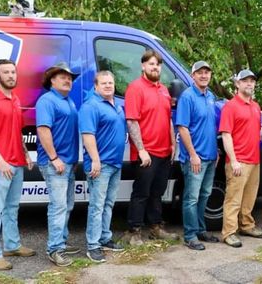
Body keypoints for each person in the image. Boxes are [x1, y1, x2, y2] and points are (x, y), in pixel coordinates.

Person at [0, 59, 35, 270]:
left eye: (13, 72)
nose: (11, 75)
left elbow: (17, 131)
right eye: (6, 72)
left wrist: (26, 154)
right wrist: (1, 161)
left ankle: (12, 245)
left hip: (17, 162)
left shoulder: (15, 99)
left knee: (12, 208)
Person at [125, 49, 178, 245]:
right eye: (151, 64)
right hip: (146, 153)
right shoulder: (135, 88)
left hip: (164, 152)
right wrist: (141, 150)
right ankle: (134, 231)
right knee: (141, 193)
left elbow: (168, 119)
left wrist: (172, 143)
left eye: (157, 64)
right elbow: (132, 121)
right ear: (143, 66)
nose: (155, 67)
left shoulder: (164, 89)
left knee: (157, 192)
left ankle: (155, 227)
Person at [79, 70, 127, 263]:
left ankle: (105, 238)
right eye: (104, 83)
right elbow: (88, 135)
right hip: (101, 165)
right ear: (96, 86)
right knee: (97, 206)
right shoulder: (90, 106)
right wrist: (95, 160)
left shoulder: (115, 104)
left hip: (115, 164)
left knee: (108, 204)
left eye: (111, 83)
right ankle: (92, 246)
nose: (108, 86)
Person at [36, 62, 80, 266]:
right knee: (58, 206)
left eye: (70, 77)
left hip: (68, 162)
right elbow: (43, 130)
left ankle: (61, 241)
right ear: (52, 80)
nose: (68, 79)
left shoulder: (69, 101)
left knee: (68, 205)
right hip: (55, 163)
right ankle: (54, 249)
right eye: (63, 76)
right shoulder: (47, 100)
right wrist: (54, 158)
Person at [175, 61, 220, 251]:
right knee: (191, 198)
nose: (204, 75)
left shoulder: (210, 96)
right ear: (193, 76)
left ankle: (201, 229)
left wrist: (216, 151)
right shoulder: (187, 96)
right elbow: (182, 128)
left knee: (204, 195)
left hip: (210, 157)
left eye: (207, 72)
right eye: (199, 73)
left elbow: (210, 127)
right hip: (195, 158)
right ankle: (190, 235)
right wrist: (193, 154)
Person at [219, 69, 262, 247]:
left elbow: (256, 133)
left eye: (252, 81)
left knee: (249, 198)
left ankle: (246, 225)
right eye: (245, 81)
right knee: (233, 199)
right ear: (237, 84)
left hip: (254, 161)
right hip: (238, 162)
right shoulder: (230, 106)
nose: (249, 84)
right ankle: (229, 232)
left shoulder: (256, 106)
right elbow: (226, 135)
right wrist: (234, 160)